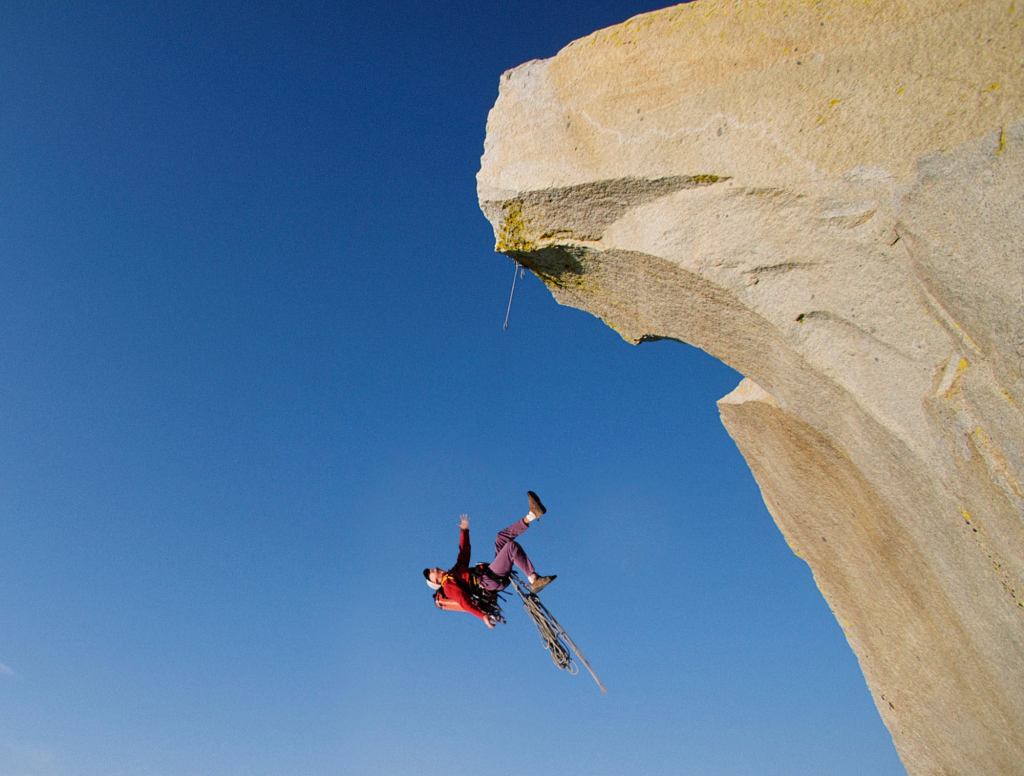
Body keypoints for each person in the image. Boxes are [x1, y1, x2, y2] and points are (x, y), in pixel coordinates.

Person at [423, 491, 556, 629]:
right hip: (488, 581)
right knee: (510, 547)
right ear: (435, 581)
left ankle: (532, 515)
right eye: (430, 573)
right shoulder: (448, 587)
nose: (432, 569)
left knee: (501, 538)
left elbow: (464, 551)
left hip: (490, 573)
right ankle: (534, 579)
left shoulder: (454, 572)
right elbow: (464, 602)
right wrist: (483, 616)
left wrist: (464, 531)